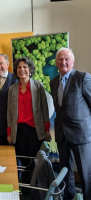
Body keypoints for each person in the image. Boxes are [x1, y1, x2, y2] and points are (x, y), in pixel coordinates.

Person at [50, 48, 91, 200]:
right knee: (65, 172)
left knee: (85, 174)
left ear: (73, 61)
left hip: (81, 134)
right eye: (60, 59)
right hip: (62, 134)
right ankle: (68, 197)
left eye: (67, 59)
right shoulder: (53, 81)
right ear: (56, 63)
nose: (63, 62)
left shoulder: (83, 78)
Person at [7, 57, 51, 193]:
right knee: (24, 161)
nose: (22, 70)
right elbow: (9, 112)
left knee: (36, 161)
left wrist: (47, 129)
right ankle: (25, 190)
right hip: (19, 130)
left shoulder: (38, 86)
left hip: (35, 130)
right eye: (19, 67)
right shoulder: (12, 89)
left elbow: (44, 110)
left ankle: (37, 189)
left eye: (25, 67)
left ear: (30, 69)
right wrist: (9, 133)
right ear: (16, 71)